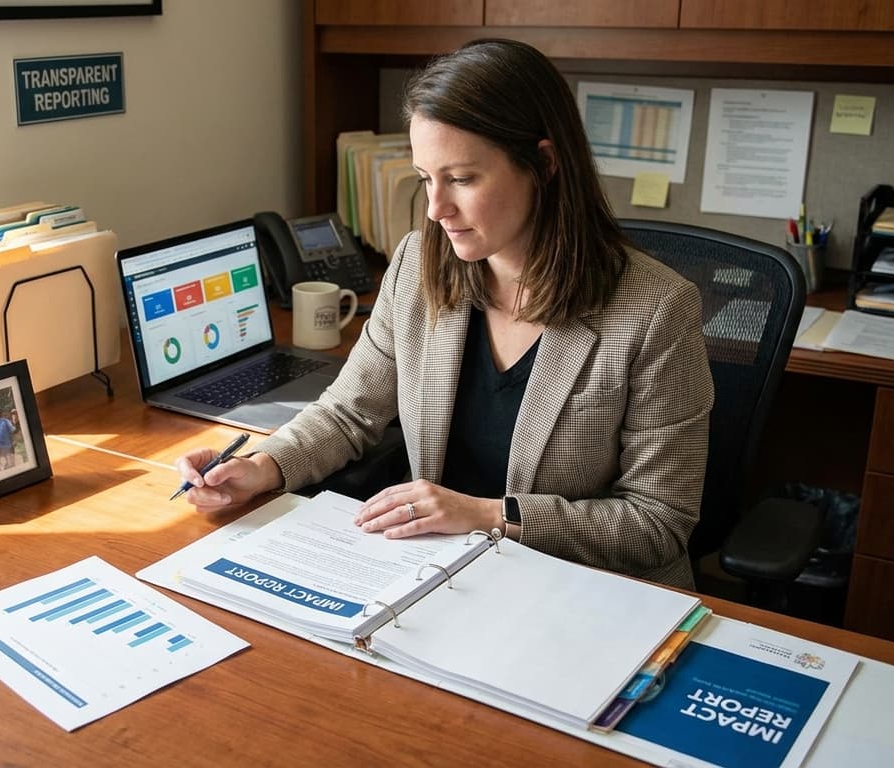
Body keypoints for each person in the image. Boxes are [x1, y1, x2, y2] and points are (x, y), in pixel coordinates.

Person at [174, 39, 712, 589]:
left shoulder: (655, 310)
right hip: (435, 575)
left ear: (544, 164)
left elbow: (657, 523)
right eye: (426, 179)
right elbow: (347, 413)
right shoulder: (416, 264)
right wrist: (263, 467)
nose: (436, 209)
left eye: (461, 179)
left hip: (576, 589)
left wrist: (487, 515)